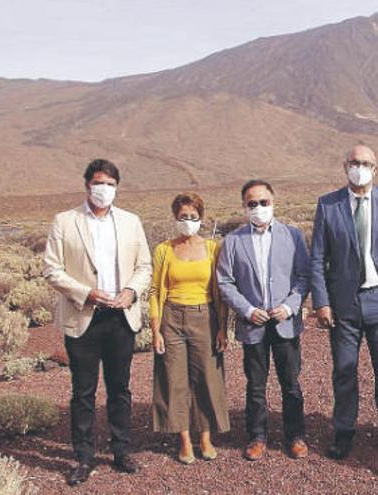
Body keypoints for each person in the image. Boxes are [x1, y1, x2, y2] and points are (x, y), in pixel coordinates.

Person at [42, 159, 151, 485]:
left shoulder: (131, 221)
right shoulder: (65, 222)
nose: (105, 189)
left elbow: (144, 264)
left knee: (120, 389)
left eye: (111, 184)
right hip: (83, 317)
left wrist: (131, 291)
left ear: (117, 187)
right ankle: (84, 457)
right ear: (87, 184)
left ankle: (121, 451)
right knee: (83, 391)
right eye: (99, 183)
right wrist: (87, 293)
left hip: (121, 317)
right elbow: (52, 270)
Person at [310, 144, 378, 460]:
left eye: (366, 163)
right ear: (345, 166)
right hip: (344, 305)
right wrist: (322, 302)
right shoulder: (328, 205)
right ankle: (343, 432)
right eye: (354, 162)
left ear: (376, 169)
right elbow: (317, 258)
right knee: (344, 370)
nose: (360, 167)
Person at [217, 180, 311, 461]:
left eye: (263, 202)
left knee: (290, 382)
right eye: (252, 203)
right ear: (244, 206)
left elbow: (303, 277)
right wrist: (246, 309)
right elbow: (225, 281)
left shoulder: (292, 236)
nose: (258, 208)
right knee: (256, 384)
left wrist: (290, 306)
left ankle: (295, 435)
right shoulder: (233, 241)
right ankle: (257, 437)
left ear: (274, 202)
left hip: (284, 323)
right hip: (252, 324)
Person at [149, 193, 229, 464]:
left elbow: (221, 290)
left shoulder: (212, 248)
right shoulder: (164, 250)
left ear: (201, 219)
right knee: (174, 378)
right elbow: (154, 291)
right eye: (183, 217)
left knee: (207, 376)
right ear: (175, 218)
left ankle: (205, 436)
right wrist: (155, 329)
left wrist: (222, 327)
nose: (188, 221)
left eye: (193, 217)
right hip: (171, 317)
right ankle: (184, 439)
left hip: (204, 316)